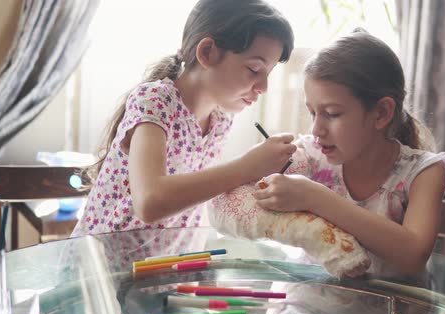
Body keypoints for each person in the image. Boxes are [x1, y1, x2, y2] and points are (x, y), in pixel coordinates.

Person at [71, 0, 296, 236]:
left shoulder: (221, 121)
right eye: (254, 69)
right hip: (101, 267)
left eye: (268, 74)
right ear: (207, 52)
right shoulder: (155, 100)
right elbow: (150, 202)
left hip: (166, 268)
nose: (264, 87)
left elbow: (192, 205)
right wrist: (247, 167)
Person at [252, 28, 445, 276]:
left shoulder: (425, 172)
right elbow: (249, 189)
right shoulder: (310, 155)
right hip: (305, 306)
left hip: (387, 311)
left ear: (381, 113)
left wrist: (315, 198)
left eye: (332, 114)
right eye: (313, 113)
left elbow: (413, 256)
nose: (316, 129)